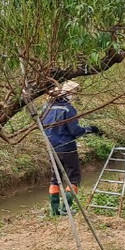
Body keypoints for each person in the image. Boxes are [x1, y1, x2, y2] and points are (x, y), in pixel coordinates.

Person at [41, 81, 101, 216]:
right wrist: (89, 129)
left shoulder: (46, 107)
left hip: (51, 148)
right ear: (69, 94)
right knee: (73, 178)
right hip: (67, 148)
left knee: (55, 178)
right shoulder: (68, 109)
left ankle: (54, 211)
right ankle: (66, 208)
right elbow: (75, 131)